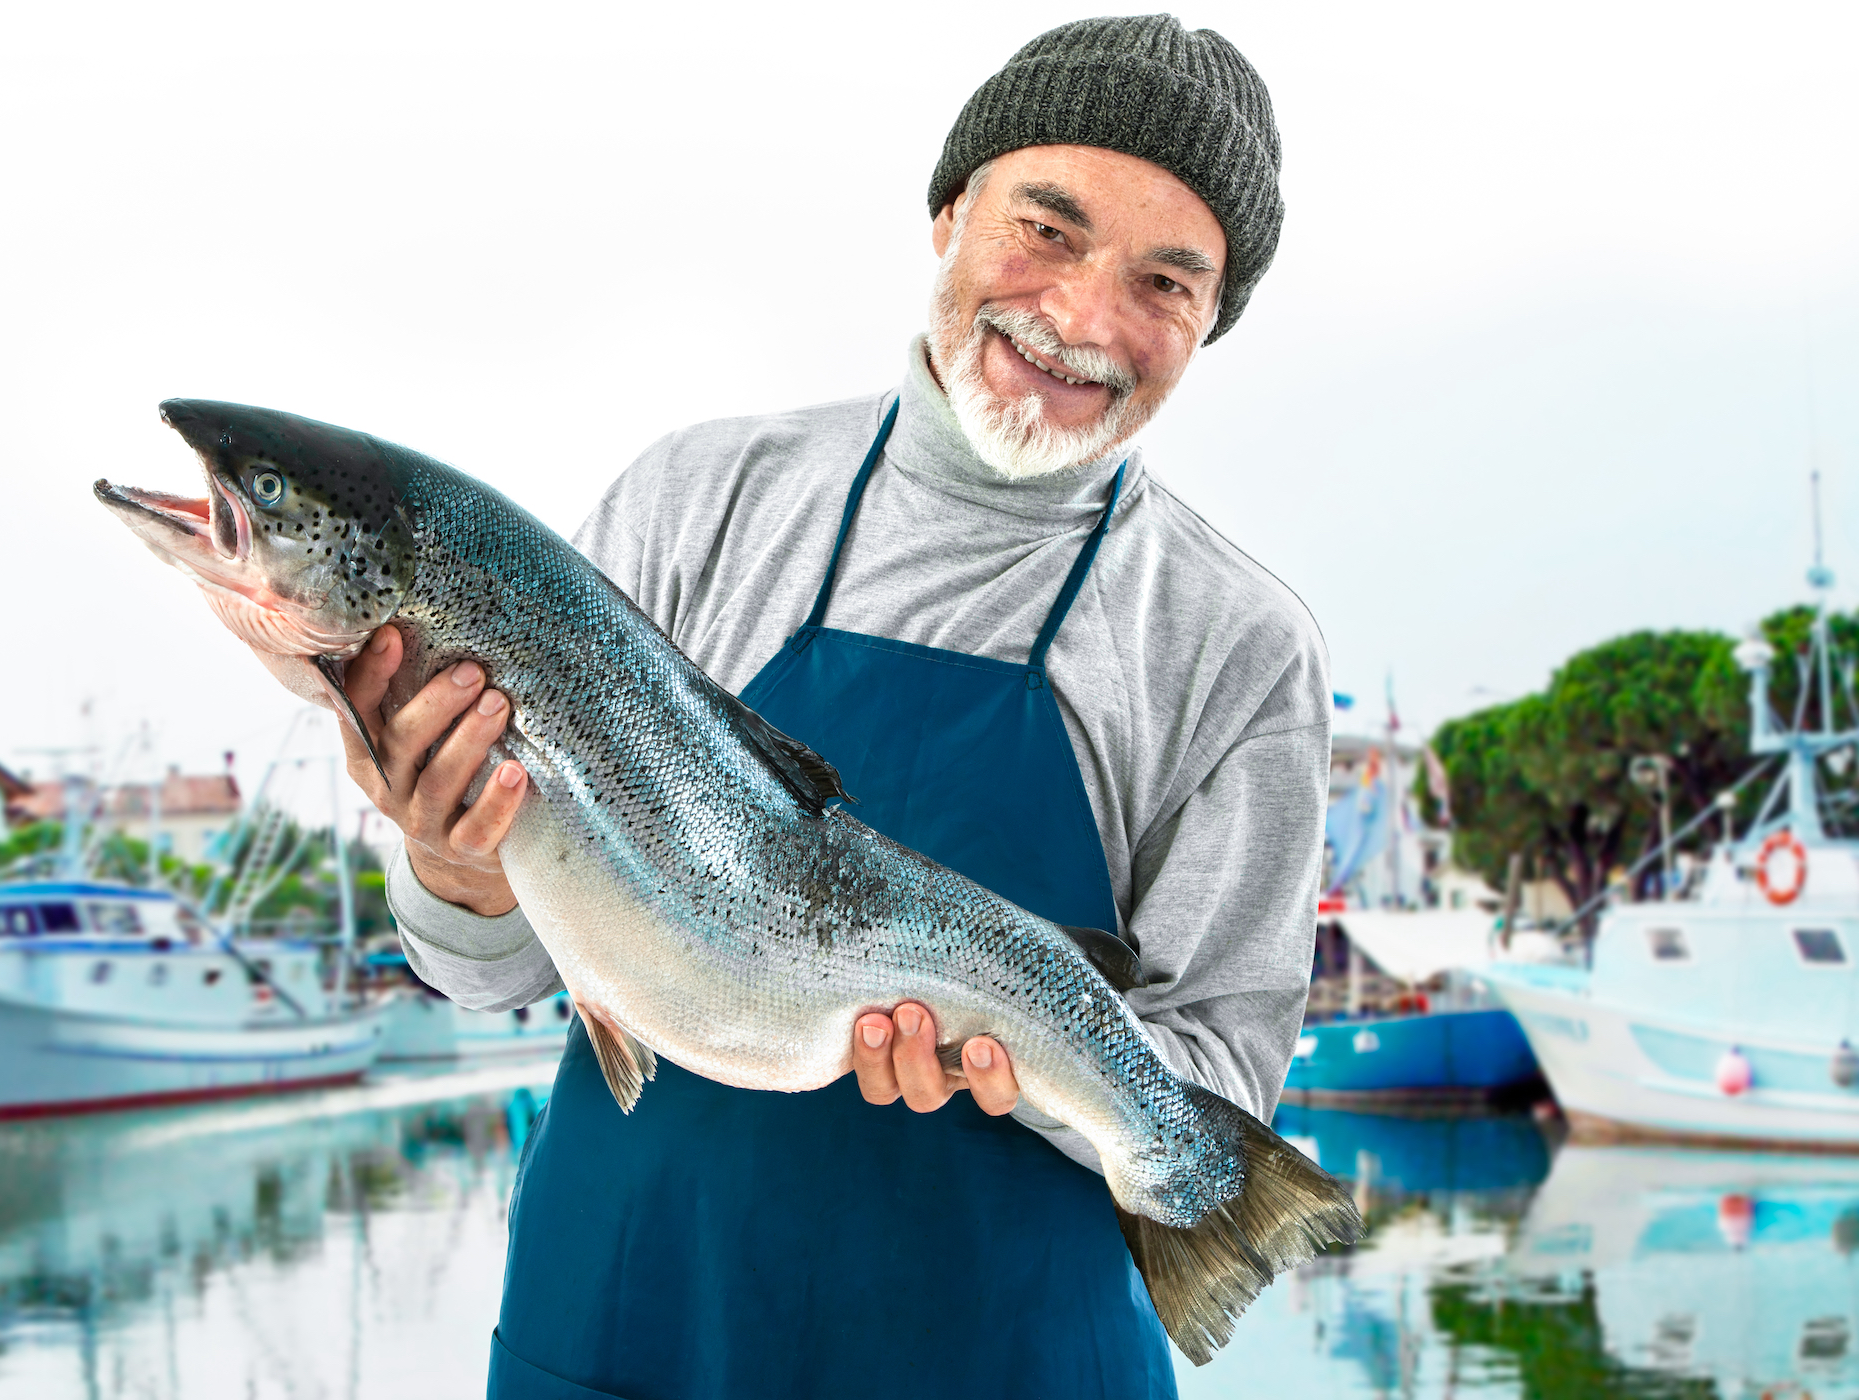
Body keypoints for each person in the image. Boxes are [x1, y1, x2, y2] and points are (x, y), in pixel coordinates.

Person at [340, 15, 1323, 1399]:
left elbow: (1218, 1076)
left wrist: (1017, 1055)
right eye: (1047, 228)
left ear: (1211, 322)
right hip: (627, 1328)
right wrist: (452, 863)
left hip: (1012, 1358)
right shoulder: (697, 501)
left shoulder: (1237, 646)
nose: (1085, 322)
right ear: (948, 212)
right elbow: (484, 975)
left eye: (1166, 283)